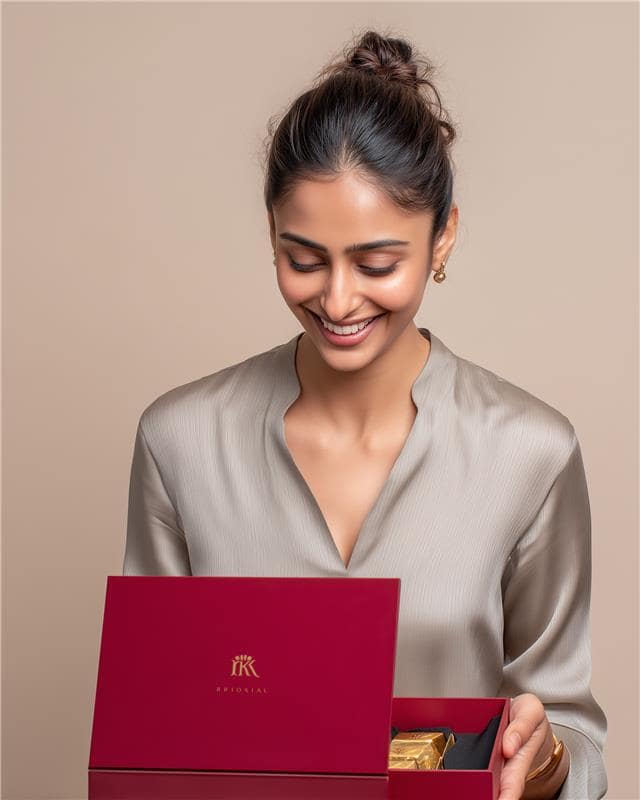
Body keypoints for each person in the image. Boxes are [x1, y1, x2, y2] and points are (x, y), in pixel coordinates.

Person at [122, 29, 607, 800]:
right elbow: (145, 730)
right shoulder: (179, 441)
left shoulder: (530, 453)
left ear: (442, 236)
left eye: (377, 264)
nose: (338, 300)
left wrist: (543, 758)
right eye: (303, 258)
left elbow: (576, 741)